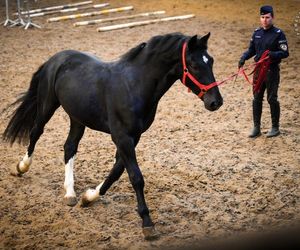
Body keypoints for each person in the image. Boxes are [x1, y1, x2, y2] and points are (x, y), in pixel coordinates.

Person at [238, 5, 289, 138]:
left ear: (272, 18)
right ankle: (256, 127)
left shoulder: (279, 34)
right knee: (257, 99)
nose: (265, 20)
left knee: (272, 99)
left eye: (267, 17)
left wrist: (272, 54)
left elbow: (285, 52)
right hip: (258, 70)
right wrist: (243, 58)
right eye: (262, 17)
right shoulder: (257, 33)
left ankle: (275, 127)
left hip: (271, 71)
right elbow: (252, 50)